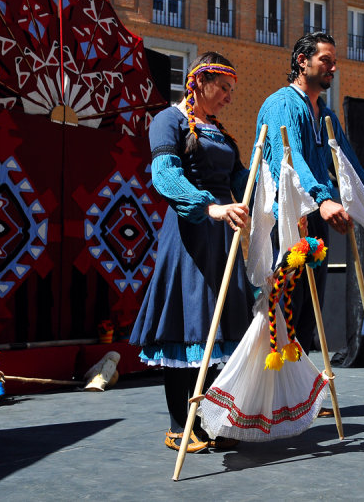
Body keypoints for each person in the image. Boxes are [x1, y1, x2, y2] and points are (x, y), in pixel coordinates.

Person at [130, 52, 252, 453]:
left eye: (232, 91)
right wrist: (210, 207)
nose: (228, 98)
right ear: (198, 82)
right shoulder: (169, 120)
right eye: (223, 88)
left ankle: (209, 420)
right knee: (189, 325)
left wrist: (278, 190)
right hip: (191, 233)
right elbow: (165, 176)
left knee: (218, 330)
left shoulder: (219, 132)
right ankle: (178, 425)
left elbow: (242, 180)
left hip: (223, 237)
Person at [254, 32, 364, 354]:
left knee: (310, 312)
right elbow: (291, 156)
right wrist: (323, 198)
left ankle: (301, 398)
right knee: (286, 306)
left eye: (334, 62)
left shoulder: (325, 115)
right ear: (302, 61)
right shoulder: (282, 103)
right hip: (286, 218)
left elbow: (348, 166)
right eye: (325, 60)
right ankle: (277, 397)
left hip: (314, 218)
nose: (333, 68)